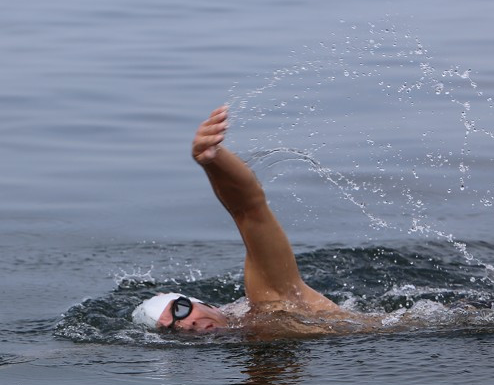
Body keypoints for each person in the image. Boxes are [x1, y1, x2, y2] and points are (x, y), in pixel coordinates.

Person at [132, 106, 347, 333]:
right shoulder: (245, 337)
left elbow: (249, 208)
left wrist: (212, 160)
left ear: (203, 303)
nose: (187, 325)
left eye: (181, 310)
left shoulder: (270, 302)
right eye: (171, 329)